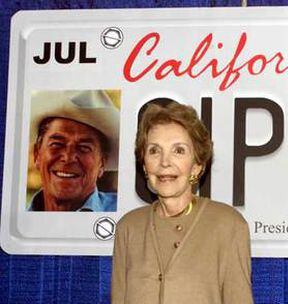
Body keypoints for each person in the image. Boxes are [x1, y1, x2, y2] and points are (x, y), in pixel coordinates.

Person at [111, 101, 254, 304]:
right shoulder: (129, 227)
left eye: (178, 150)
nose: (164, 162)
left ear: (196, 166)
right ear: (144, 165)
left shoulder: (228, 225)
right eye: (154, 151)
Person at [28, 90, 119, 212]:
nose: (68, 157)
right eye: (57, 144)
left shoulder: (123, 213)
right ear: (37, 154)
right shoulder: (12, 216)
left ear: (101, 163)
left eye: (84, 148)